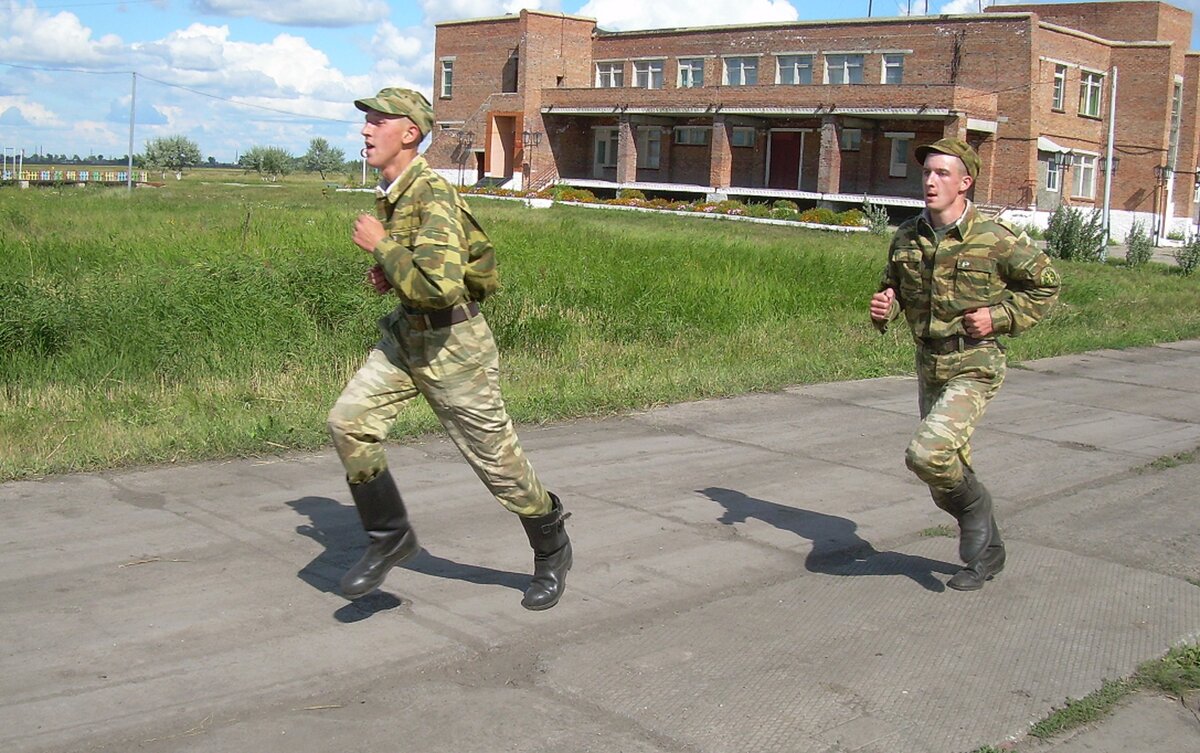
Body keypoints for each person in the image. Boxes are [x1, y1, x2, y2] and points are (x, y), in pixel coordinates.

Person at [326, 87, 571, 610]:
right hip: (407, 333)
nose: (365, 130)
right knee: (349, 421)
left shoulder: (430, 192)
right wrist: (390, 273)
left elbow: (441, 289)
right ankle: (390, 537)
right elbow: (433, 271)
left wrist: (381, 246)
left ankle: (551, 545)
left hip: (454, 345)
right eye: (365, 121)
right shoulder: (394, 189)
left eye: (377, 122)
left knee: (501, 470)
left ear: (409, 133)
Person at [868, 137, 1060, 591]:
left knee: (927, 453)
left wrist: (1000, 316)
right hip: (929, 364)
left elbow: (1046, 285)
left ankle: (975, 511)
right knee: (943, 475)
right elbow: (893, 287)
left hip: (975, 364)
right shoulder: (906, 236)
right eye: (927, 173)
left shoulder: (995, 238)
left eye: (942, 174)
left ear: (965, 182)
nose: (931, 182)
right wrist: (885, 307)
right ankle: (988, 555)